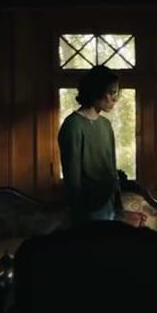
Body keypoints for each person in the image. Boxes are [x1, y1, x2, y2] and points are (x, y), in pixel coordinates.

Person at [58, 65, 122, 226]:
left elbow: (111, 167)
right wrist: (79, 216)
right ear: (98, 92)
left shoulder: (105, 125)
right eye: (112, 92)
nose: (115, 98)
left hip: (109, 203)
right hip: (88, 208)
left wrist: (117, 203)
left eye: (116, 93)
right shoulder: (73, 125)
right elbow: (72, 178)